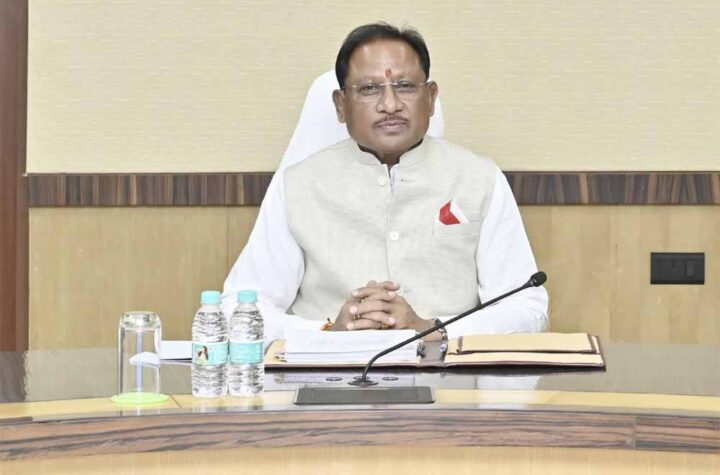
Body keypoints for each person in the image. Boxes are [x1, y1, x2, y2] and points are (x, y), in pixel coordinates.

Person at [223, 23, 548, 342]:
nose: (390, 105)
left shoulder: (480, 178)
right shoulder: (298, 186)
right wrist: (328, 333)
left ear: (430, 97)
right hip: (328, 372)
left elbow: (527, 308)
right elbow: (238, 310)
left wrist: (432, 329)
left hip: (447, 369)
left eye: (405, 86)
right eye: (369, 89)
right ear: (340, 105)